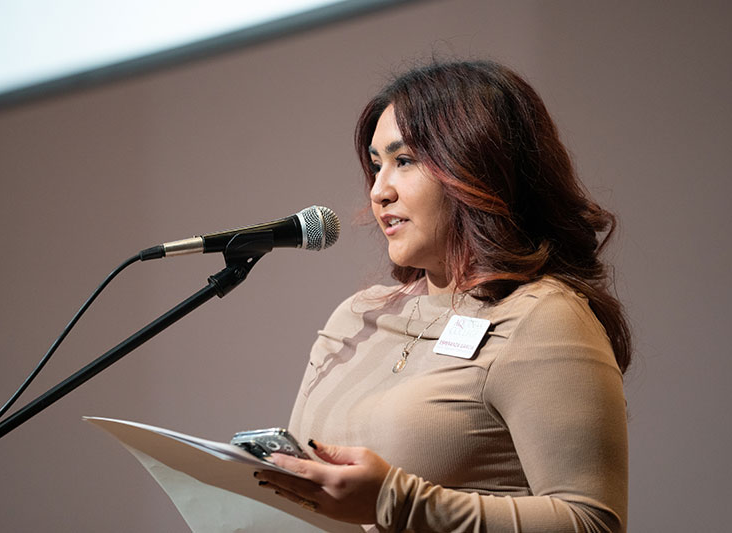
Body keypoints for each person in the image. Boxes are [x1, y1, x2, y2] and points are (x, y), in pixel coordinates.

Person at [256, 60, 631, 533]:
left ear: (476, 164)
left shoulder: (543, 317)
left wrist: (398, 502)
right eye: (375, 166)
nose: (379, 191)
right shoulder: (356, 318)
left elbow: (592, 523)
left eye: (404, 161)